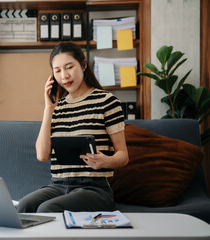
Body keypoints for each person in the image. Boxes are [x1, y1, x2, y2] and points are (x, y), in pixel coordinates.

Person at [17, 42, 129, 213]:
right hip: (58, 185)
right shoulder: (57, 107)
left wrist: (105, 161)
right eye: (58, 70)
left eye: (69, 67)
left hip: (94, 189)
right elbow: (42, 155)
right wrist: (49, 109)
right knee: (25, 206)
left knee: (47, 209)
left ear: (83, 65)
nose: (64, 76)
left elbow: (123, 156)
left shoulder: (107, 101)